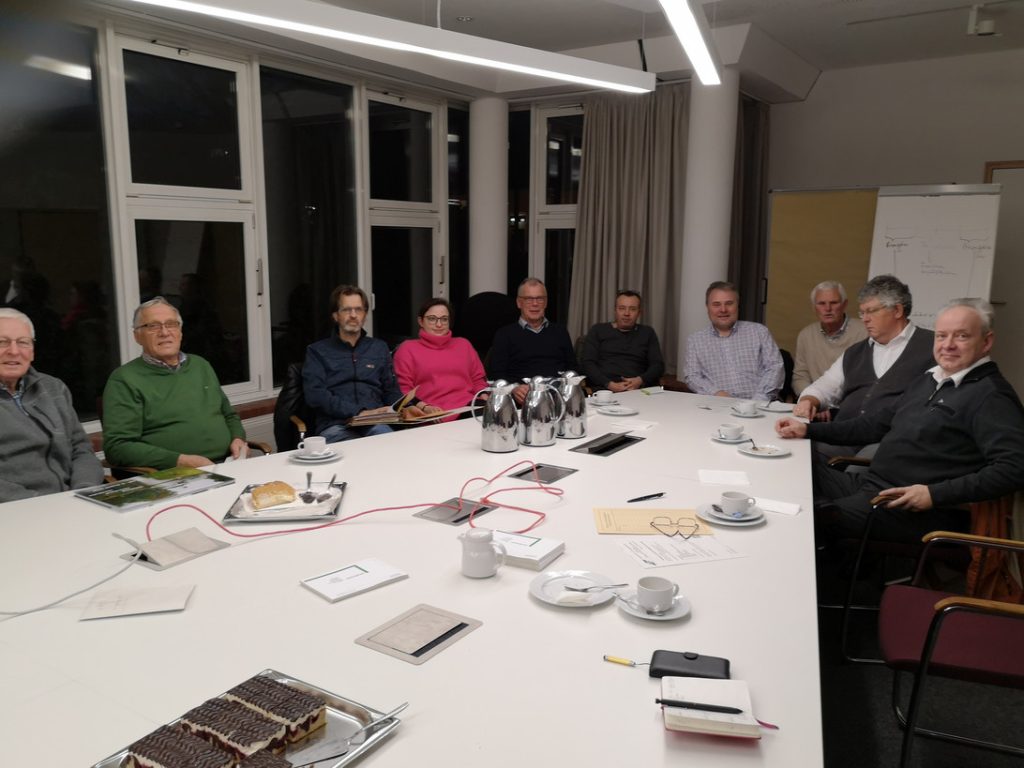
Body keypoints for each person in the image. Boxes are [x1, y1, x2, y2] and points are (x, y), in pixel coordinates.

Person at [775, 299, 1024, 544]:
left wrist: (933, 494)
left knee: (808, 519)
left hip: (911, 506)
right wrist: (808, 429)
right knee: (789, 474)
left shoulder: (992, 396)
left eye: (961, 336)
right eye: (941, 336)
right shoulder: (930, 379)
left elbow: (1014, 468)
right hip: (872, 484)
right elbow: (873, 425)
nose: (948, 345)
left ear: (986, 342)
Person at [102, 297, 248, 469]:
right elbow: (118, 447)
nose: (164, 332)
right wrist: (180, 461)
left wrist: (238, 438)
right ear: (137, 336)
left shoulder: (200, 365)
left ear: (180, 332)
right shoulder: (124, 379)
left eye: (171, 324)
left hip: (229, 463)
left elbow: (229, 415)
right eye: (153, 326)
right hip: (173, 473)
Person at [792, 275, 935, 426]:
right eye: (862, 313)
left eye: (871, 311)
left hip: (894, 436)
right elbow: (826, 386)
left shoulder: (934, 347)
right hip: (842, 432)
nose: (865, 319)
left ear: (897, 310)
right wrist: (809, 400)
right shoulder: (855, 352)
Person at [303, 285, 438, 443]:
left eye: (358, 310)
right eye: (347, 310)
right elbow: (316, 396)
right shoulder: (317, 351)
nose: (353, 315)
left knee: (389, 444)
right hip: (336, 425)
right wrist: (360, 412)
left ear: (365, 315)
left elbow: (390, 391)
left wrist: (406, 407)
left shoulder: (378, 348)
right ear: (335, 315)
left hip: (376, 422)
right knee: (355, 450)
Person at [0, 308, 103, 501]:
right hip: (16, 508)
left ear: (32, 351)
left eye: (23, 342)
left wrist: (84, 489)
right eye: (2, 342)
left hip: (74, 499)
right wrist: (43, 504)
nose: (13, 351)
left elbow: (81, 449)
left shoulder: (53, 388)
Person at [683, 281, 783, 400]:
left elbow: (775, 367)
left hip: (762, 404)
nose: (723, 309)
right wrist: (716, 393)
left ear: (737, 305)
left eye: (729, 303)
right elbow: (692, 376)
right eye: (716, 304)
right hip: (718, 404)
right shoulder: (695, 341)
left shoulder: (759, 332)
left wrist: (758, 400)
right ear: (707, 308)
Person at [488, 277, 576, 403]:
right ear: (519, 303)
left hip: (559, 398)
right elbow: (496, 375)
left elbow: (573, 368)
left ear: (546, 302)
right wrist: (513, 388)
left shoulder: (560, 332)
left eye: (540, 299)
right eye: (529, 299)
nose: (535, 304)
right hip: (523, 401)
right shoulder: (504, 335)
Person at [393, 298, 488, 413]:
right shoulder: (407, 349)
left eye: (444, 319)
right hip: (432, 410)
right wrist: (424, 407)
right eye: (432, 319)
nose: (439, 324)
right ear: (421, 321)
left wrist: (484, 396)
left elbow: (478, 379)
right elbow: (403, 389)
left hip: (469, 405)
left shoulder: (463, 344)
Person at [791, 281, 867, 396]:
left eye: (834, 303)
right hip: (814, 401)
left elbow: (868, 378)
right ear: (814, 307)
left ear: (844, 304)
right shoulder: (806, 335)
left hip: (851, 401)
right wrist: (811, 398)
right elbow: (800, 377)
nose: (827, 308)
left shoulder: (865, 332)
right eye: (821, 303)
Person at [580, 289, 664, 392]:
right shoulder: (598, 330)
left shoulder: (647, 333)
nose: (626, 313)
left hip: (638, 390)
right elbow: (587, 364)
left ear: (639, 313)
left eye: (632, 309)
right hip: (605, 390)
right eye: (622, 308)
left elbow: (658, 366)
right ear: (615, 310)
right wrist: (609, 384)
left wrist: (640, 380)